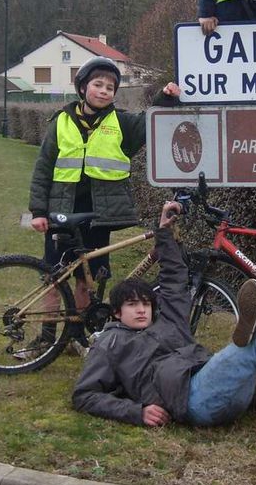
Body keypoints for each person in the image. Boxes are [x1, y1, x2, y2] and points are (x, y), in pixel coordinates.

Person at [72, 201, 256, 463]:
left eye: (145, 304)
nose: (141, 310)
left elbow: (174, 278)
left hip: (218, 384)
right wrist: (136, 412)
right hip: (191, 399)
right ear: (116, 313)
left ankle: (255, 324)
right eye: (131, 306)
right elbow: (84, 395)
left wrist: (164, 231)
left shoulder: (169, 321)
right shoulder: (110, 342)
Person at [27, 56, 180, 355]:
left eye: (110, 87)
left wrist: (165, 97)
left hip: (98, 215)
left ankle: (78, 336)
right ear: (83, 88)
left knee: (88, 277)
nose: (104, 91)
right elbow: (43, 168)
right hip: (62, 211)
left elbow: (149, 121)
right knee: (52, 276)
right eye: (98, 85)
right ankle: (46, 336)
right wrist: (38, 211)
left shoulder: (121, 122)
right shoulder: (60, 121)